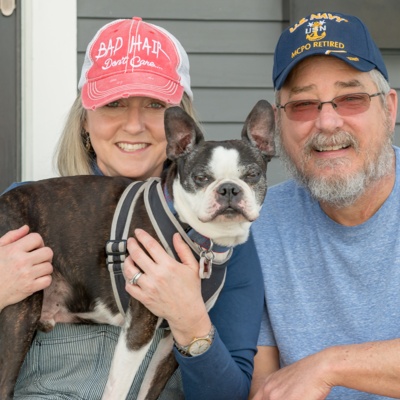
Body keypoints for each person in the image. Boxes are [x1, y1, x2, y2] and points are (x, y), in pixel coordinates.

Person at [0, 17, 264, 399]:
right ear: (85, 121)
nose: (135, 124)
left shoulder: (224, 236)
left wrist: (190, 321)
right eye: (114, 104)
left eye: (156, 105)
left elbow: (231, 394)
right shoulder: (27, 207)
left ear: (181, 128)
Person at [249, 10, 400, 400]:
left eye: (351, 99)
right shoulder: (260, 223)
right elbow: (263, 387)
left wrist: (331, 366)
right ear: (278, 124)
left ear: (390, 108)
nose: (328, 123)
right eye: (303, 105)